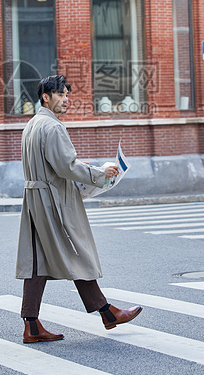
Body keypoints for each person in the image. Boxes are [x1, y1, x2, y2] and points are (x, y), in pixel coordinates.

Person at [15, 74, 142, 343]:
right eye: (60, 94)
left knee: (37, 262)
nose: (65, 100)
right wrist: (101, 173)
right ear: (45, 97)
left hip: (36, 199)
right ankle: (108, 312)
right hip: (54, 201)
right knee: (75, 254)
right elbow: (66, 166)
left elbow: (57, 163)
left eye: (67, 95)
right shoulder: (53, 127)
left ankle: (32, 325)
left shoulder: (32, 125)